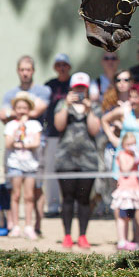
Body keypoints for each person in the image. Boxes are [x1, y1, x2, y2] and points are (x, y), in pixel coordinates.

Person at [54, 72, 102, 249]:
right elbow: (59, 125)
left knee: (83, 199)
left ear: (88, 90)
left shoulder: (94, 107)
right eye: (77, 88)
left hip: (87, 161)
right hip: (65, 160)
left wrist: (89, 110)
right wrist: (66, 105)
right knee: (67, 198)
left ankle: (82, 235)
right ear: (71, 89)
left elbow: (94, 130)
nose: (80, 92)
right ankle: (67, 235)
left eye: (83, 88)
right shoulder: (62, 104)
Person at [3, 92, 42, 240]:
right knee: (15, 194)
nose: (21, 110)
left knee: (29, 196)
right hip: (15, 164)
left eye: (24, 107)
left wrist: (23, 143)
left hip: (30, 165)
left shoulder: (35, 125)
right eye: (18, 107)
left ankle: (28, 225)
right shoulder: (11, 125)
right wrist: (18, 128)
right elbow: (8, 144)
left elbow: (36, 143)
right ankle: (15, 225)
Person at [101, 84, 139, 186]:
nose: (132, 100)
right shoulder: (125, 111)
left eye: (135, 97)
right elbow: (104, 120)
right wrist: (113, 139)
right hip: (125, 158)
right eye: (130, 97)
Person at [43, 53, 73, 217]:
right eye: (59, 65)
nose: (62, 68)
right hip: (53, 133)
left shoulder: (74, 84)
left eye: (65, 65)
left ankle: (71, 204)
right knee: (52, 169)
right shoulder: (49, 85)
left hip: (72, 134)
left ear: (69, 67)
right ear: (55, 67)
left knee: (73, 169)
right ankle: (53, 205)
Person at [111, 132, 139, 251]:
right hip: (125, 190)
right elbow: (125, 170)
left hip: (135, 190)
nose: (131, 146)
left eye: (133, 144)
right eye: (129, 144)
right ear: (123, 145)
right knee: (123, 217)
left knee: (133, 216)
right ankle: (122, 240)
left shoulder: (135, 155)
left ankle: (135, 240)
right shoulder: (122, 154)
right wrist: (134, 159)